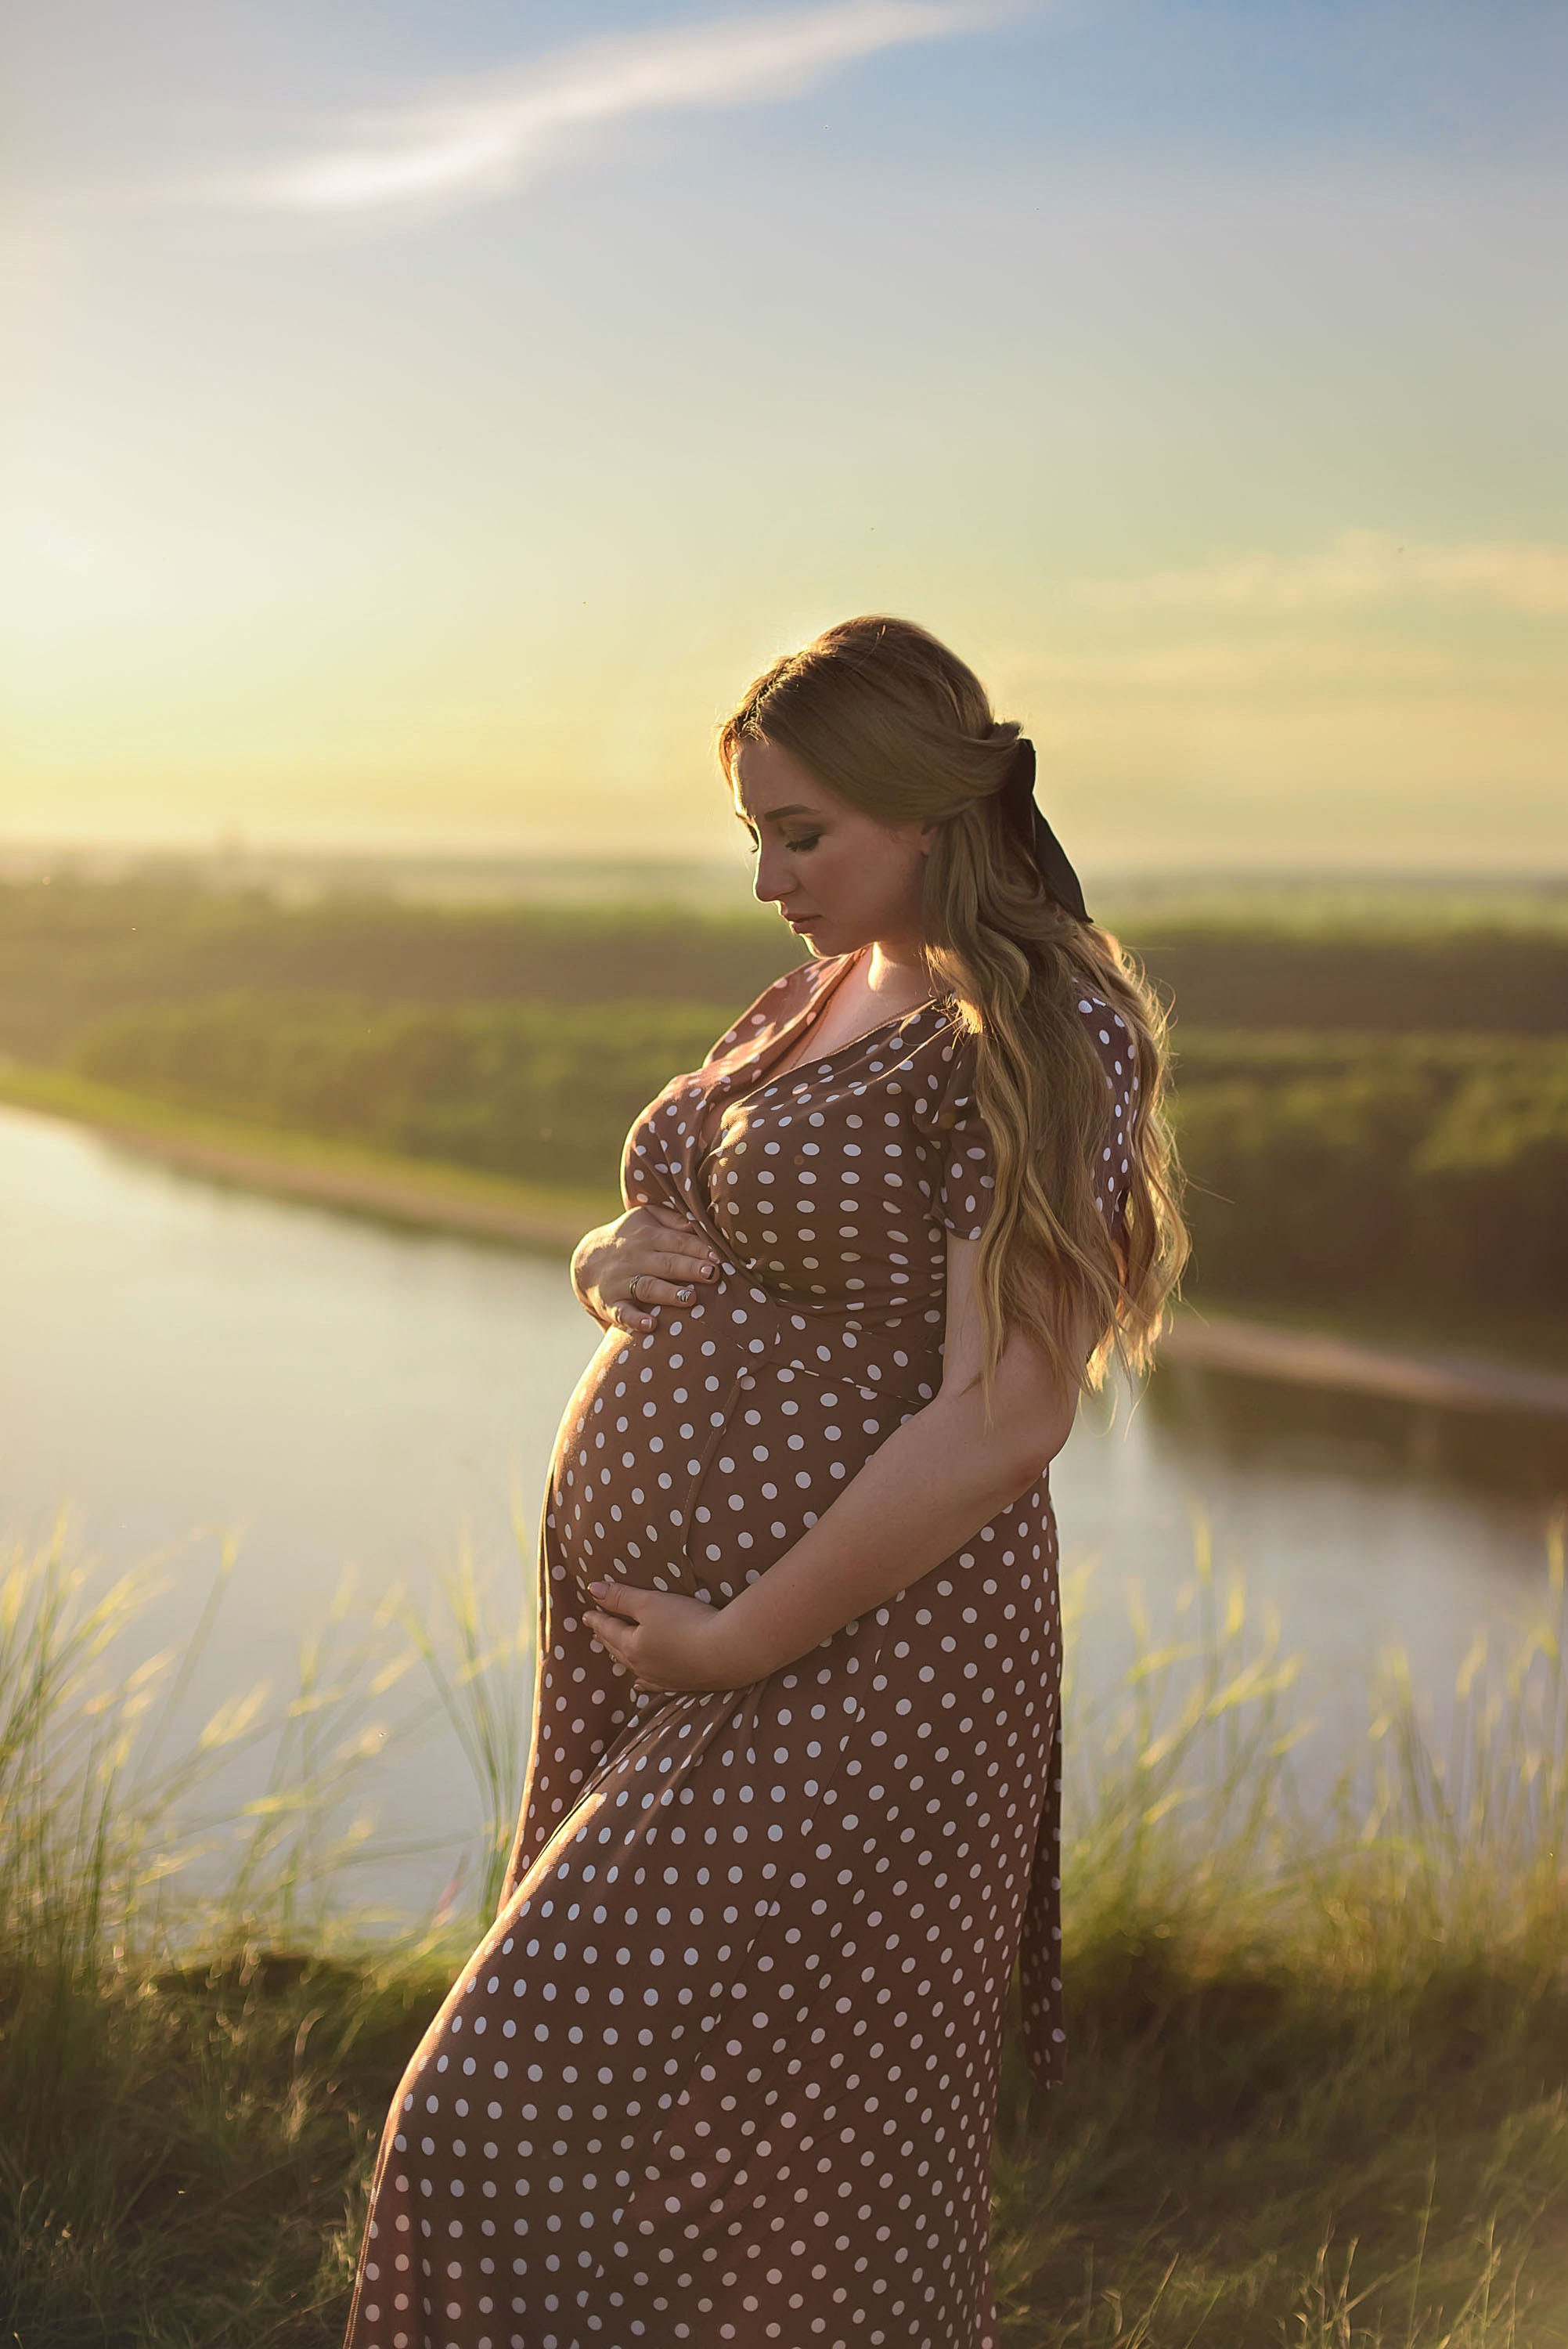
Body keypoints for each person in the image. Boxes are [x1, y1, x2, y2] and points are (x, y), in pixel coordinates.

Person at [342, 615, 1187, 2349]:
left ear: (931, 813)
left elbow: (1009, 1412)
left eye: (801, 837)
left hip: (856, 1656)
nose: (765, 882)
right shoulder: (829, 983)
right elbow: (722, 1213)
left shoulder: (1035, 1025)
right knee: (711, 2139)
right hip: (692, 1654)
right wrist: (604, 1256)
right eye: (755, 836)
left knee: (518, 2120)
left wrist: (741, 1639)